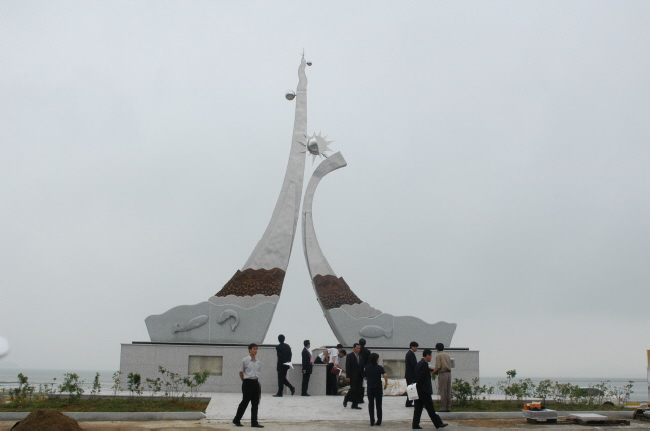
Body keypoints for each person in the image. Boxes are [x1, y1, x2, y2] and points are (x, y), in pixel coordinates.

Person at [411, 349, 448, 429]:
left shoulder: (419, 364)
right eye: (430, 356)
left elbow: (418, 375)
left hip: (418, 390)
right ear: (427, 355)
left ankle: (415, 424)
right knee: (430, 408)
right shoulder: (424, 364)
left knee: (418, 408)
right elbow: (422, 377)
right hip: (424, 390)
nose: (431, 358)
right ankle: (438, 423)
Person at [233, 343, 264, 428]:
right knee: (245, 402)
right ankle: (237, 419)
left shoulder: (258, 361)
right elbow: (241, 372)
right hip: (247, 383)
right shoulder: (245, 360)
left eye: (256, 349)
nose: (255, 351)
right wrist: (244, 381)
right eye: (254, 349)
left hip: (256, 383)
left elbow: (258, 372)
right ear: (249, 350)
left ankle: (254, 422)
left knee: (255, 403)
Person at [363, 352, 388, 426]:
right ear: (377, 360)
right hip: (378, 388)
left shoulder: (367, 367)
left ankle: (371, 421)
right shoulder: (380, 367)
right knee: (378, 405)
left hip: (370, 387)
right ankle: (379, 420)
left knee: (371, 404)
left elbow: (365, 377)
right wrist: (386, 383)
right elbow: (385, 375)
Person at [343, 343, 364, 409]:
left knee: (359, 390)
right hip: (352, 376)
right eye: (357, 348)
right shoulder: (349, 356)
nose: (358, 349)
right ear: (353, 348)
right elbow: (348, 366)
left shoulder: (361, 356)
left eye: (359, 348)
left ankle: (355, 404)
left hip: (360, 376)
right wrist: (348, 376)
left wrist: (364, 375)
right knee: (353, 389)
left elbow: (362, 366)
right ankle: (346, 398)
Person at [433, 343, 452, 412]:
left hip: (443, 373)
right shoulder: (447, 355)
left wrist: (432, 372)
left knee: (443, 391)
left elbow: (438, 367)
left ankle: (443, 407)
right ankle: (448, 407)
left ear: (437, 349)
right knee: (448, 391)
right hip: (449, 373)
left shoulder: (438, 356)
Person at [404, 341, 419, 407]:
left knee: (411, 388)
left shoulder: (409, 353)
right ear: (412, 347)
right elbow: (414, 365)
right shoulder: (411, 354)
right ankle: (409, 403)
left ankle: (409, 402)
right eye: (416, 347)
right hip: (411, 375)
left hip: (409, 374)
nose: (417, 348)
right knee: (412, 388)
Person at [358, 338, 371, 404]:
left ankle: (356, 397)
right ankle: (361, 398)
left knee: (357, 384)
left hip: (358, 369)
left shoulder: (358, 351)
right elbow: (369, 361)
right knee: (363, 384)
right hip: (365, 369)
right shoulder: (367, 351)